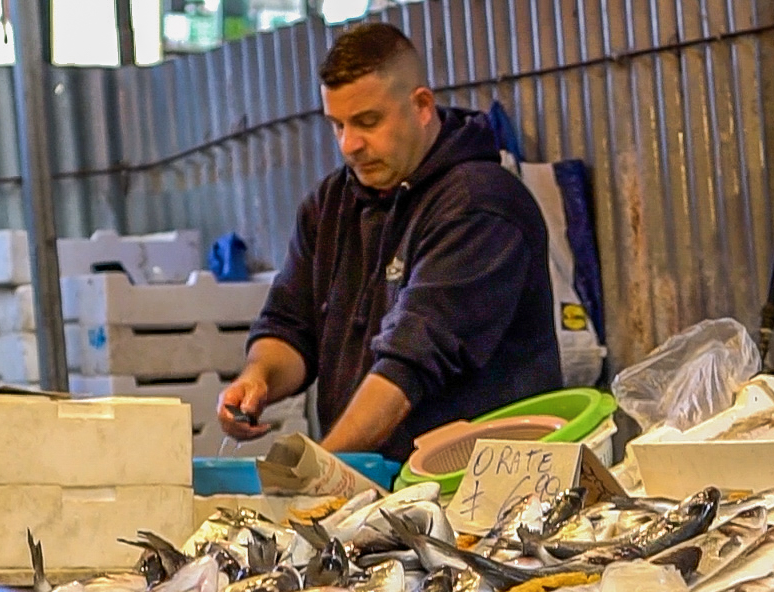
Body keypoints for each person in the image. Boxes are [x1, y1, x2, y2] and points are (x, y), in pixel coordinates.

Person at [217, 24, 562, 463]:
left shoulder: (478, 206)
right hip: (375, 488)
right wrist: (257, 379)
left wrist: (316, 472)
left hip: (478, 492)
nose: (349, 145)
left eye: (367, 121)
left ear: (420, 106)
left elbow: (407, 367)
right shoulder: (329, 206)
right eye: (337, 125)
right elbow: (290, 327)